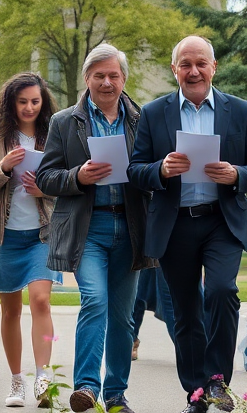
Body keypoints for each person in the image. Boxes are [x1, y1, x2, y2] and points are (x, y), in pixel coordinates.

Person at [128, 36, 247, 413]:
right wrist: (160, 169)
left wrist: (236, 174)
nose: (194, 71)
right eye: (186, 64)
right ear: (174, 69)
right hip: (175, 224)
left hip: (221, 221)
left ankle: (217, 380)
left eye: (201, 64)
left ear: (213, 67)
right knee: (186, 311)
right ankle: (196, 393)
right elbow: (135, 170)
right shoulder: (153, 112)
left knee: (222, 291)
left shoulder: (239, 110)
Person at [36, 43, 156, 413]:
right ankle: (87, 387)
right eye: (99, 75)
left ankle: (116, 395)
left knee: (122, 316)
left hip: (132, 227)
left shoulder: (142, 119)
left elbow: (155, 173)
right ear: (86, 78)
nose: (106, 82)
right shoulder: (63, 122)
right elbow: (45, 177)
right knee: (95, 300)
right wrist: (78, 176)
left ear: (123, 79)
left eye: (113, 75)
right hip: (88, 228)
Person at [0, 72, 63, 408]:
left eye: (35, 101)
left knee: (41, 301)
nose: (29, 107)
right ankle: (16, 381)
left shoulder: (55, 134)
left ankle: (43, 379)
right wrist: (3, 168)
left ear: (43, 102)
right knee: (10, 310)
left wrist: (45, 188)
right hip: (4, 236)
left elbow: (69, 183)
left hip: (42, 234)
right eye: (22, 101)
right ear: (11, 103)